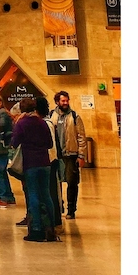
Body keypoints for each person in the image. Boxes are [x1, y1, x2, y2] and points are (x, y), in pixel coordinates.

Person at [12, 98, 58, 242]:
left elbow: (14, 143)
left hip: (30, 163)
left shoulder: (22, 123)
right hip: (45, 163)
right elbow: (50, 144)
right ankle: (51, 228)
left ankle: (36, 230)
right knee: (46, 195)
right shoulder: (42, 122)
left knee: (33, 195)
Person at [51, 91, 89, 220]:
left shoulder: (75, 116)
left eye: (67, 100)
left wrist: (81, 155)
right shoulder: (52, 116)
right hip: (56, 155)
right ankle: (58, 206)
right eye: (63, 101)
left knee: (72, 183)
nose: (66, 103)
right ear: (57, 102)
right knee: (56, 183)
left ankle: (71, 209)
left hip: (71, 154)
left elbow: (81, 136)